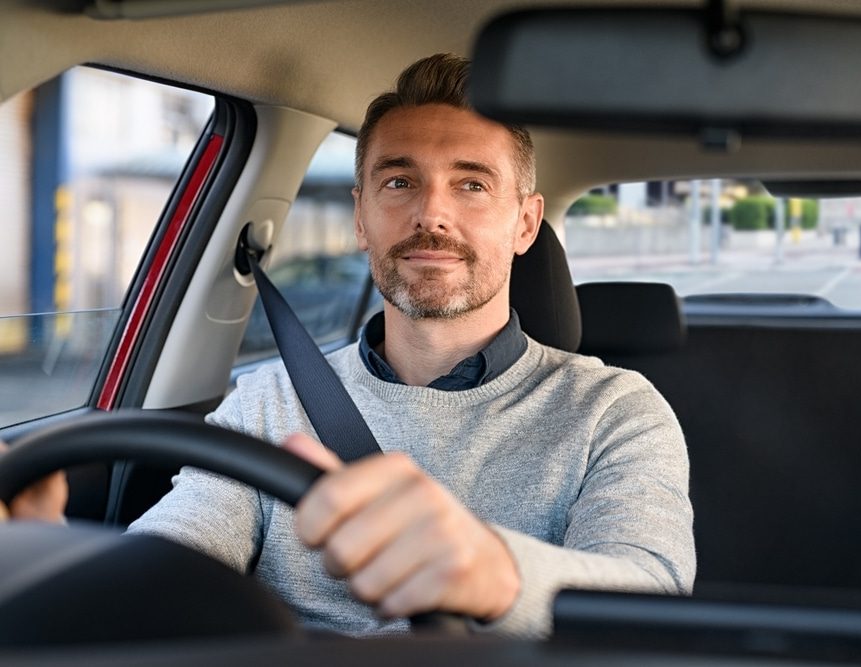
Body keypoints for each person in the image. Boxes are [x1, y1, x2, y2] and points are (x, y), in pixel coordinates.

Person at [128, 53, 696, 638]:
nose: (432, 214)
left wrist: (493, 572)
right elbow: (164, 567)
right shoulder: (267, 401)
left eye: (472, 184)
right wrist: (48, 564)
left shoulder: (614, 409)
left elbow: (650, 591)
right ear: (361, 217)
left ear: (525, 225)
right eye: (399, 182)